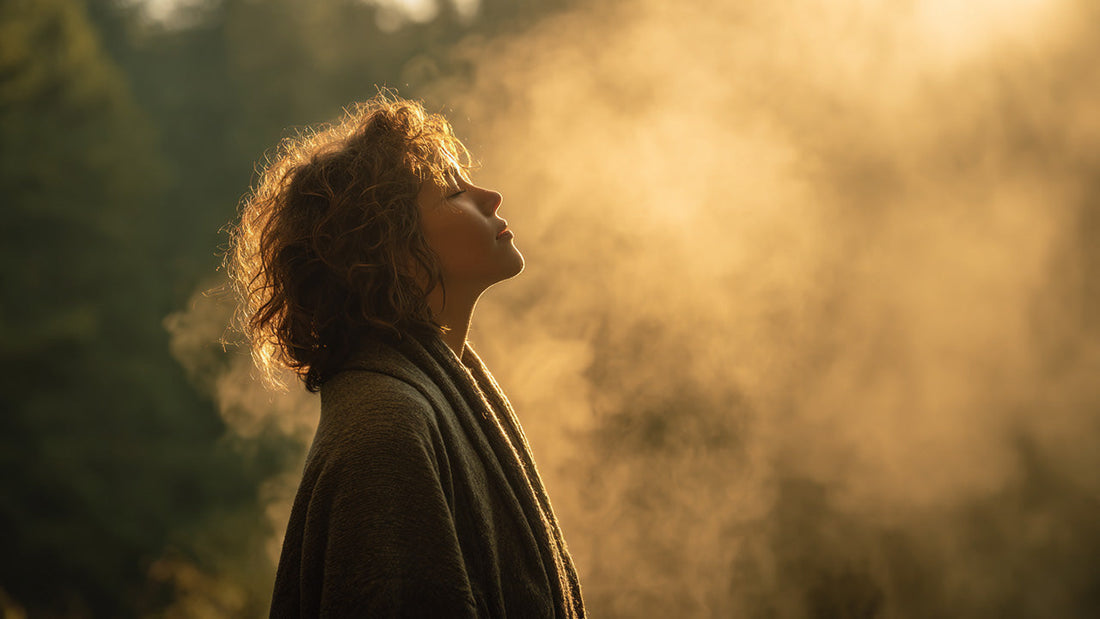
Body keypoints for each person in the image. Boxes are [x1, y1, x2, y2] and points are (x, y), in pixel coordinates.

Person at [227, 92, 586, 618]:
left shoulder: (423, 401)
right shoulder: (386, 429)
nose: (491, 196)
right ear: (386, 248)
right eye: (452, 192)